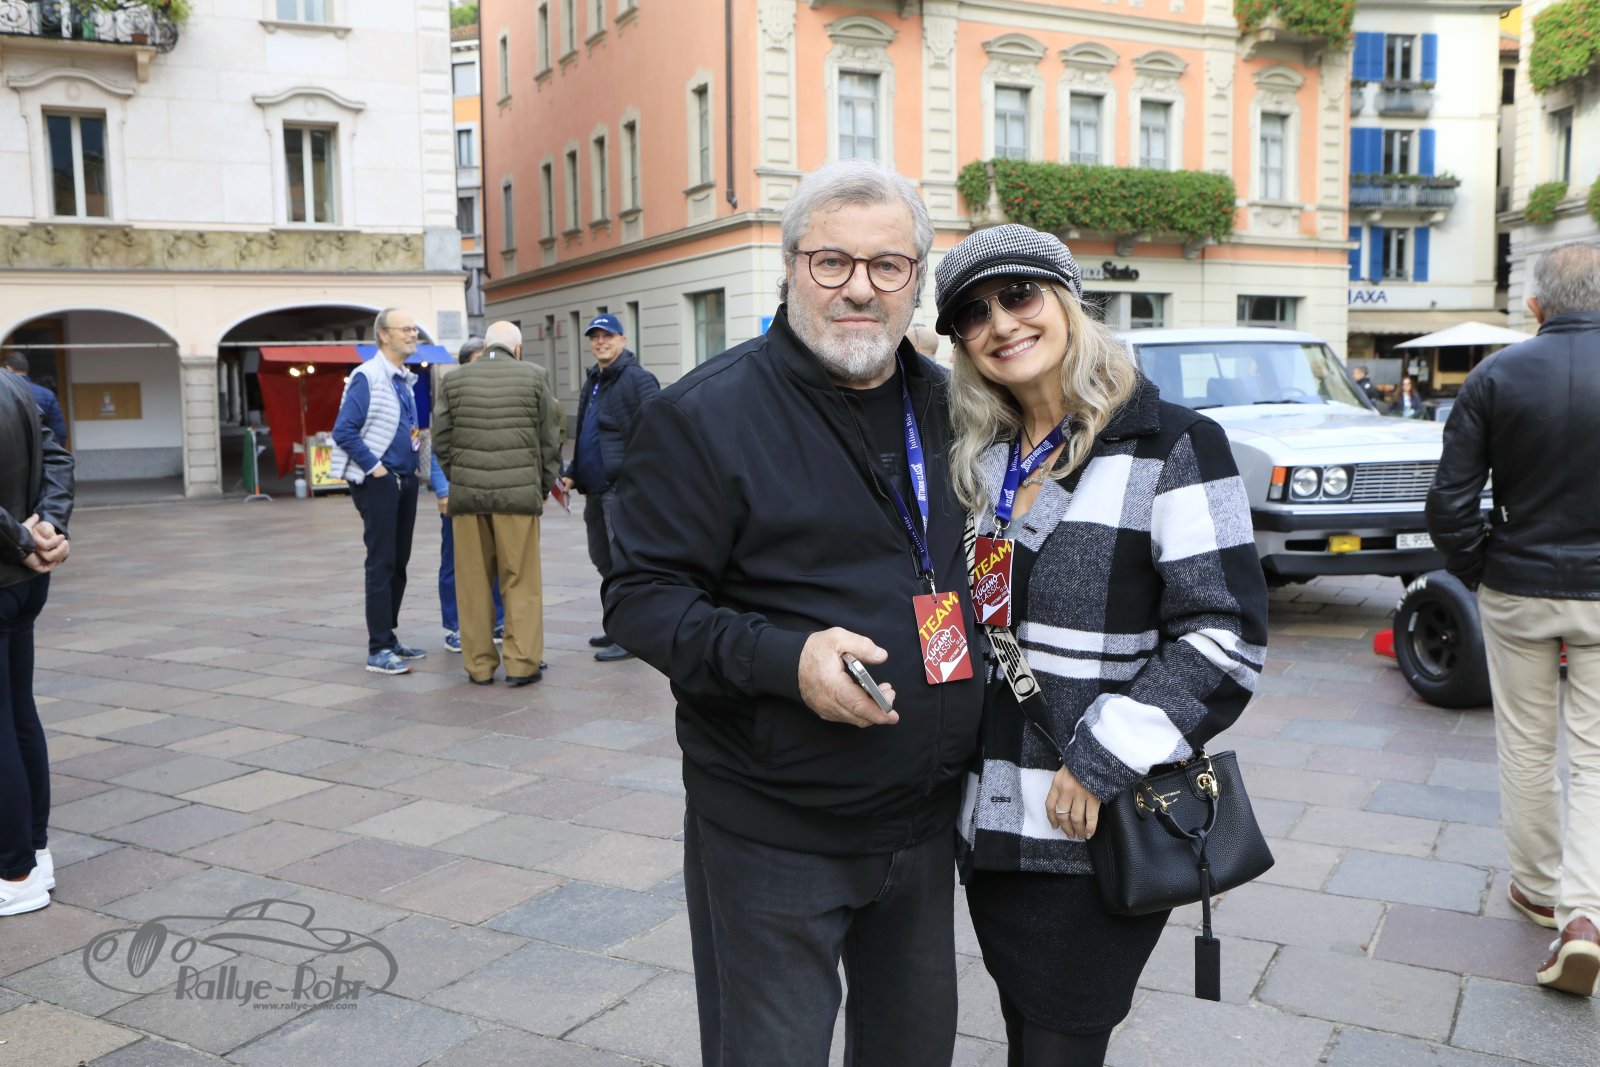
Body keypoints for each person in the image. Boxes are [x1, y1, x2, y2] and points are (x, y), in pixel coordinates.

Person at [602, 159, 985, 1065]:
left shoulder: (953, 406)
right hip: (776, 826)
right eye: (831, 261)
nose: (859, 287)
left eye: (887, 265)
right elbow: (642, 599)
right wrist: (788, 661)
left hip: (924, 820)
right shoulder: (703, 414)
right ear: (790, 268)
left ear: (916, 281)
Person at [935, 224, 1270, 1064]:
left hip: (1092, 821)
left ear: (1067, 301)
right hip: (993, 819)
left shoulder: (1174, 443)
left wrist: (1099, 757)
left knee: (1060, 1038)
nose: (1001, 323)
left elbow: (1225, 634)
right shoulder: (982, 457)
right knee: (1027, 1033)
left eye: (1019, 294)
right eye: (973, 313)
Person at [1427, 239, 1600, 998]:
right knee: (1596, 756)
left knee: (1527, 745)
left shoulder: (1495, 374)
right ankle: (1584, 914)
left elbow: (1449, 500)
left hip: (1518, 582)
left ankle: (1537, 887)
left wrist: (1479, 569)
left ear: (1534, 305)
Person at [432, 320, 563, 687]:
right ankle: (521, 664)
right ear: (517, 349)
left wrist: (459, 475)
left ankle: (479, 666)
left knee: (472, 582)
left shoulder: (454, 380)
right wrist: (541, 485)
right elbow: (549, 439)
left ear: (486, 345)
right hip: (517, 498)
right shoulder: (534, 376)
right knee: (520, 580)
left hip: (469, 498)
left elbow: (440, 438)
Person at [0, 368, 73, 917]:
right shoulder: (15, 385)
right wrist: (50, 526)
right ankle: (35, 852)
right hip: (27, 580)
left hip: (12, 564)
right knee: (19, 714)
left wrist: (26, 537)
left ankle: (15, 871)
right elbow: (57, 460)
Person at [329, 308, 427, 676]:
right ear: (384, 335)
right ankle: (378, 648)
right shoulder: (367, 376)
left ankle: (389, 635)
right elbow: (344, 430)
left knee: (399, 561)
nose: (413, 334)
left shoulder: (403, 378)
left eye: (414, 329)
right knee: (382, 562)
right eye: (406, 329)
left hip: (405, 480)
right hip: (380, 483)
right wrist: (378, 469)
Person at [558, 313, 659, 663]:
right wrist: (572, 473)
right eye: (595, 337)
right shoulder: (594, 380)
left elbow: (656, 433)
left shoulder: (637, 379)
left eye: (608, 336)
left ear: (623, 340)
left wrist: (640, 482)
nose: (600, 342)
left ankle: (632, 636)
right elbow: (586, 432)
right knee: (602, 558)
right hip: (595, 489)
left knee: (625, 565)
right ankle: (619, 625)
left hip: (623, 491)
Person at [428, 337, 503, 654]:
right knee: (454, 562)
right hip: (459, 491)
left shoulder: (499, 394)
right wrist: (444, 491)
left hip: (494, 491)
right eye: (477, 361)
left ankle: (498, 620)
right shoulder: (452, 393)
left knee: (498, 557)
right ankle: (455, 625)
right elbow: (438, 444)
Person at [2, 353, 68, 446]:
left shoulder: (3, 393)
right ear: (26, 369)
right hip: (41, 448)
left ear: (8, 368)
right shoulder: (47, 394)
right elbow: (59, 431)